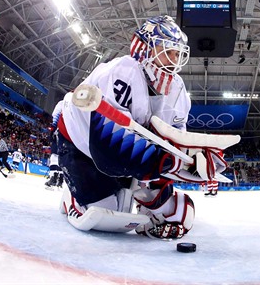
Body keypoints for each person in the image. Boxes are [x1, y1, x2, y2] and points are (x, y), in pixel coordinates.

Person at [57, 15, 238, 238]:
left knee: (178, 214)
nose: (174, 58)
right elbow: (108, 149)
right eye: (167, 50)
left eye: (177, 53)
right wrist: (172, 163)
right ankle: (74, 197)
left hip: (129, 156)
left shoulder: (178, 90)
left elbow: (171, 144)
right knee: (105, 214)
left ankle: (134, 197)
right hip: (82, 145)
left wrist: (192, 160)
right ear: (145, 49)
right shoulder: (121, 72)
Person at [45, 97, 66, 190]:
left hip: (60, 132)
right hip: (70, 136)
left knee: (54, 156)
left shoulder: (62, 103)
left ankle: (53, 179)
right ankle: (60, 181)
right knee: (62, 158)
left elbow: (55, 116)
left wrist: (52, 130)